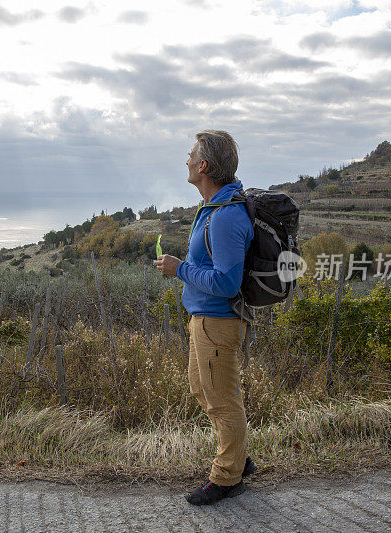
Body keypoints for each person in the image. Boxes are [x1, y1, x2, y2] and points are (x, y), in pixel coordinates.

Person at [156, 130, 255, 505]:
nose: (186, 159)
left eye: (191, 154)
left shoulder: (226, 216)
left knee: (223, 401)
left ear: (204, 165)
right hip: (204, 321)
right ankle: (238, 456)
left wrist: (179, 270)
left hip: (218, 323)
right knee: (204, 391)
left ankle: (228, 477)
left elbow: (227, 283)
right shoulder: (214, 206)